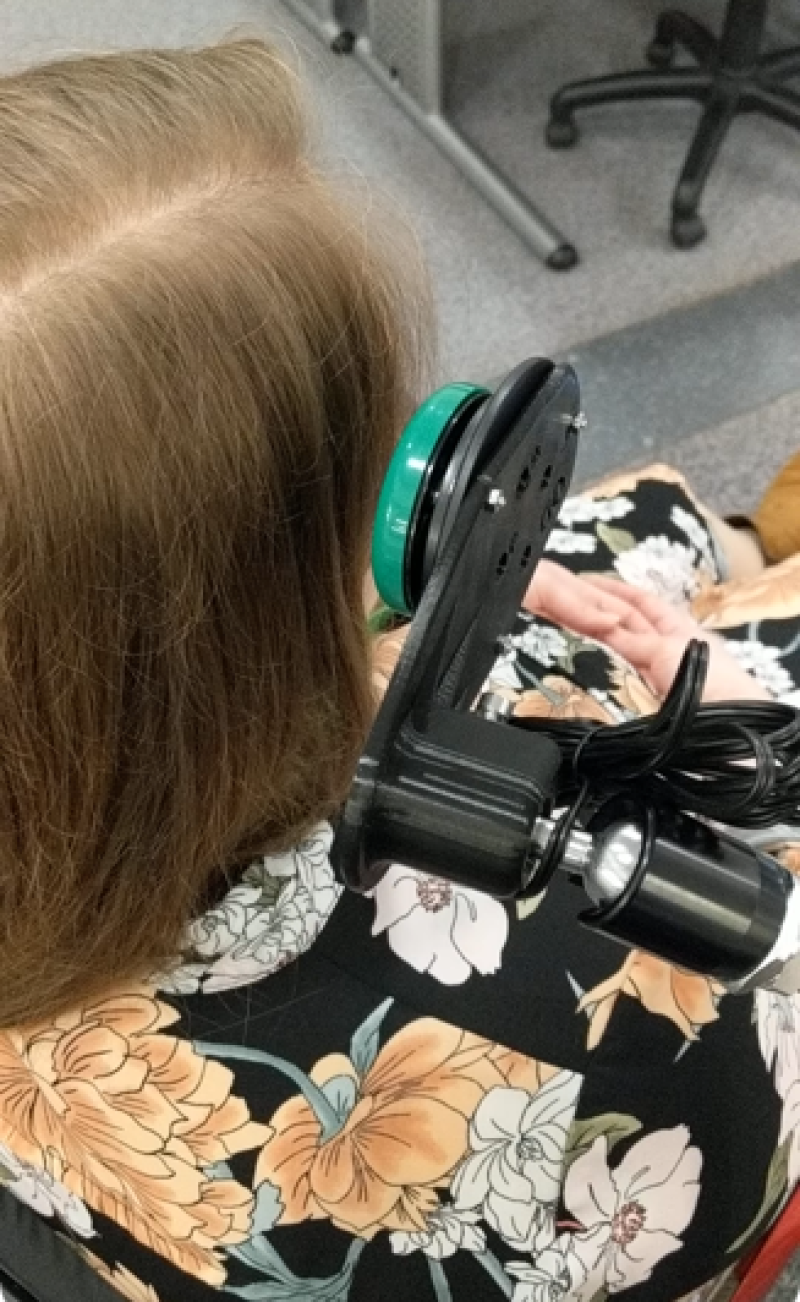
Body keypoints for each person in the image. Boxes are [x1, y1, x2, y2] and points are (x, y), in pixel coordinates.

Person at [0, 37, 797, 1302]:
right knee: (692, 579)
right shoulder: (651, 1010)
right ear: (290, 589)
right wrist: (760, 739)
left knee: (641, 536)